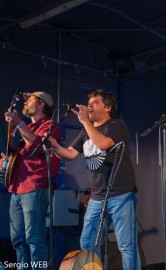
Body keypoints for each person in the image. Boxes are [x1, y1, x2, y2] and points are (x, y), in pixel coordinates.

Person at [47, 90, 140, 269]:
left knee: (126, 246)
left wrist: (85, 122)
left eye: (95, 102)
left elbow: (103, 144)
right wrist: (56, 146)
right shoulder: (85, 131)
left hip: (121, 194)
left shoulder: (117, 125)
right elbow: (70, 154)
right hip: (97, 197)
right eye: (88, 101)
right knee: (87, 243)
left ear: (107, 107)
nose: (89, 105)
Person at [1, 91, 60, 269]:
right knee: (18, 240)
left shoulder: (50, 125)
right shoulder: (29, 128)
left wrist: (18, 123)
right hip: (17, 189)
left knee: (34, 238)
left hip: (34, 188)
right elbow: (24, 157)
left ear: (42, 104)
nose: (25, 104)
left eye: (30, 100)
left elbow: (38, 146)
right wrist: (7, 163)